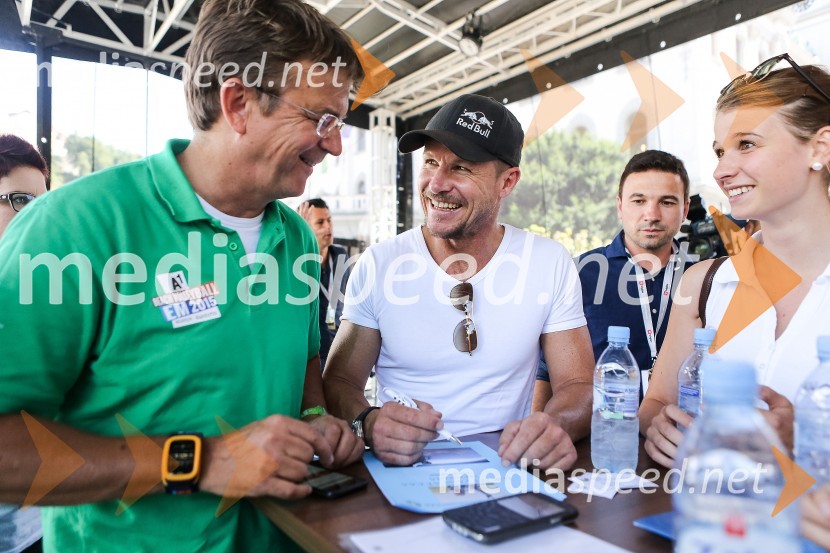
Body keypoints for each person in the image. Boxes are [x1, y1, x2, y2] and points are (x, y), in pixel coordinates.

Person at [0, 0, 365, 551]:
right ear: (238, 103)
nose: (334, 143)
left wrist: (315, 415)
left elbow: (304, 359)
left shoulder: (293, 237)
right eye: (321, 119)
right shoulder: (76, 227)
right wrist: (200, 460)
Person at [322, 93, 595, 472]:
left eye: (461, 168)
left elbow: (578, 384)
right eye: (430, 162)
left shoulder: (548, 261)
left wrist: (555, 425)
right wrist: (368, 421)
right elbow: (339, 381)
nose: (436, 184)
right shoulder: (379, 264)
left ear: (507, 181)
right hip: (401, 472)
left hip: (508, 469)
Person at [640, 54, 830, 468]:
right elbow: (655, 403)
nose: (722, 171)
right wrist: (661, 428)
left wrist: (805, 439)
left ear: (820, 147)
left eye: (747, 144)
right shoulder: (702, 284)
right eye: (719, 151)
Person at [532, 150, 696, 411]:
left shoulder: (703, 279)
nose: (651, 214)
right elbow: (546, 371)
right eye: (639, 201)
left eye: (666, 202)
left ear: (685, 208)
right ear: (620, 206)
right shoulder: (579, 273)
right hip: (603, 427)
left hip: (680, 427)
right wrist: (538, 425)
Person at [0, 134, 48, 553]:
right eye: (19, 200)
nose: (34, 217)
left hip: (37, 523)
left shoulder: (41, 291)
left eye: (41, 204)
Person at [297, 198, 351, 367]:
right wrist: (300, 241)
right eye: (320, 222)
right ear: (305, 228)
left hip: (339, 350)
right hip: (311, 355)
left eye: (329, 220)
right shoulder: (297, 262)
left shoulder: (340, 256)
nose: (328, 226)